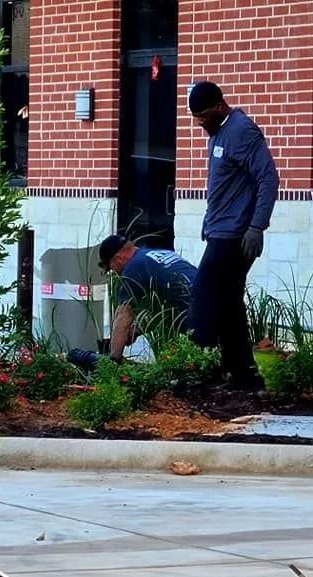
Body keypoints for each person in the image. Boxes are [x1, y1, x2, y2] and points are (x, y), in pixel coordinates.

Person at [188, 81, 279, 389]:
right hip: (219, 230)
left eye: (202, 115)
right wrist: (207, 222)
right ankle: (243, 374)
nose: (199, 122)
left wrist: (257, 227)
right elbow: (222, 186)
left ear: (218, 106)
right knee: (228, 301)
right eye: (195, 117)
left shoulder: (242, 130)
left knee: (204, 295)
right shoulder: (217, 134)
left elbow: (268, 178)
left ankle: (200, 369)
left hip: (237, 235)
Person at [97, 234, 198, 361]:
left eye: (111, 268)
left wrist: (113, 359)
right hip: (217, 299)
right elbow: (163, 312)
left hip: (198, 311)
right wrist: (136, 331)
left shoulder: (132, 269)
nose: (115, 273)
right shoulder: (156, 255)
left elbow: (123, 317)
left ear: (117, 259)